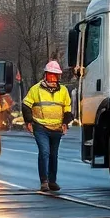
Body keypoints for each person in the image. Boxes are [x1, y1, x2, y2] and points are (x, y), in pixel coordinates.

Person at [22, 60, 73, 192]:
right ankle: (44, 181)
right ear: (45, 75)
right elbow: (26, 105)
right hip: (40, 127)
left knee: (53, 155)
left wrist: (65, 123)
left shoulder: (63, 91)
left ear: (58, 77)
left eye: (55, 75)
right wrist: (28, 121)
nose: (52, 78)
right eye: (50, 75)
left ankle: (52, 181)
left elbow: (67, 108)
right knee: (45, 152)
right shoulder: (35, 89)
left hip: (57, 129)